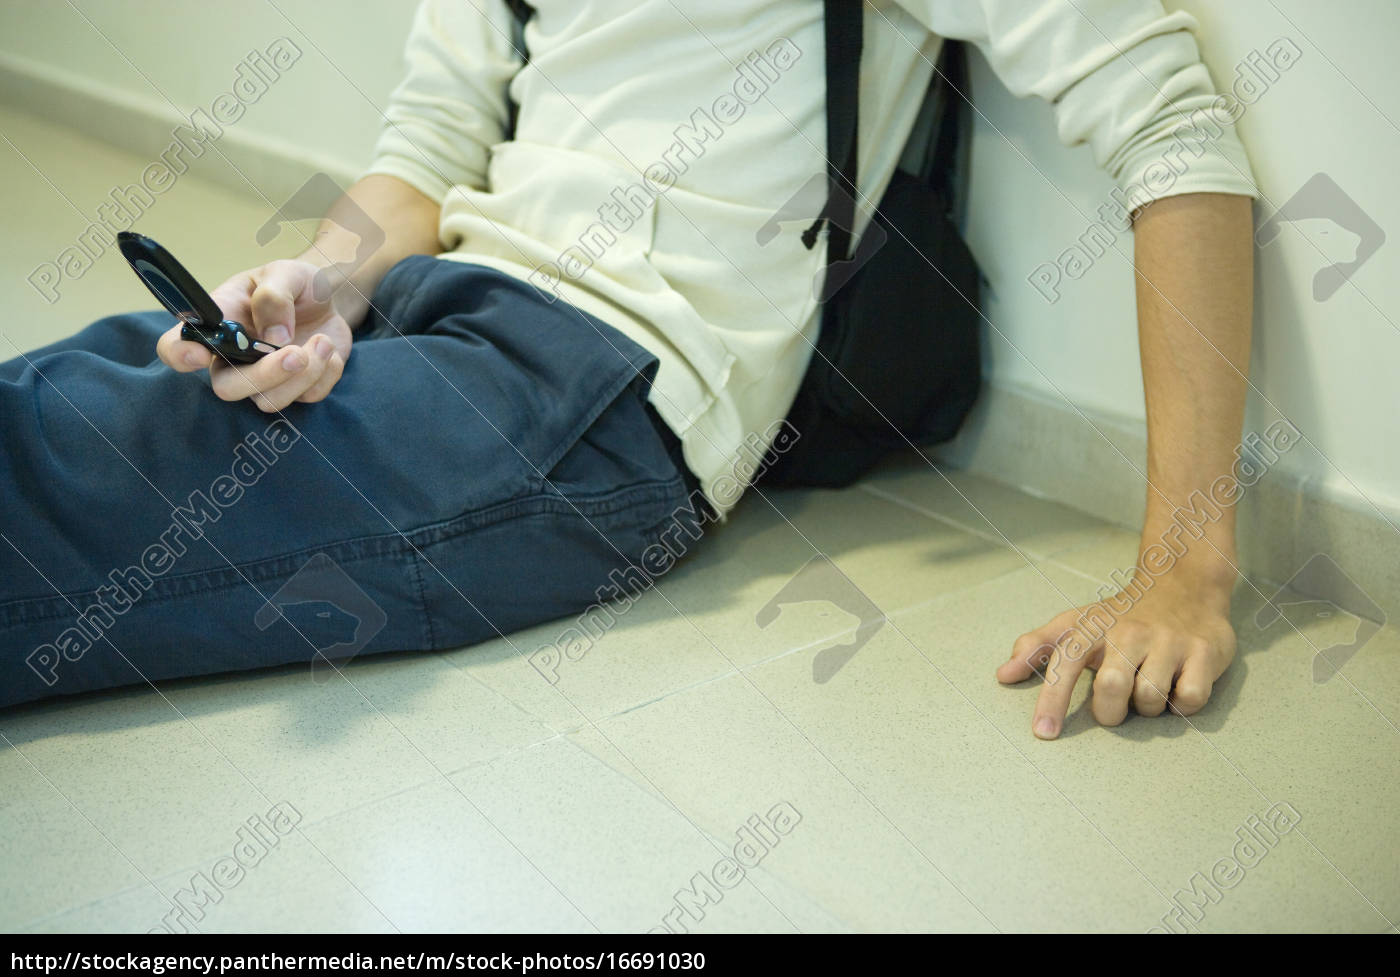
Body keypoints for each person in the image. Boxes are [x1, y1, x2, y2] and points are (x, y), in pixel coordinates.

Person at [0, 0, 1256, 740]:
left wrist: (1181, 567)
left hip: (589, 390)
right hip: (421, 316)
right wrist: (328, 283)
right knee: (69, 393)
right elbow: (427, 147)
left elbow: (1169, 121)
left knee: (52, 462)